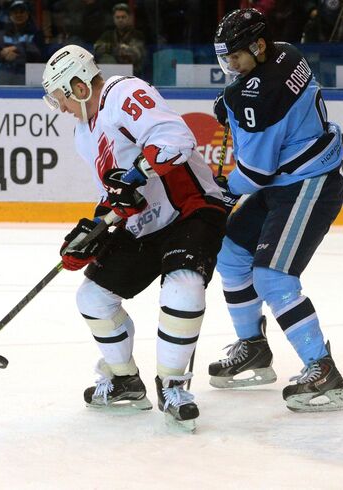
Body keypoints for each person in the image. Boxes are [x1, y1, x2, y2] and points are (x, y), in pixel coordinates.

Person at [41, 44, 227, 429]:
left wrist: (135, 178)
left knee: (184, 286)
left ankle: (173, 386)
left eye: (60, 97)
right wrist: (93, 233)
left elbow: (175, 139)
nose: (59, 107)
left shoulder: (122, 92)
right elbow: (114, 196)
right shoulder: (82, 135)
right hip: (145, 225)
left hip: (189, 210)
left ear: (78, 86)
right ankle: (125, 381)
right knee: (93, 297)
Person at [208, 8, 343, 413]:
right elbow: (264, 92)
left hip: (309, 185)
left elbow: (254, 173)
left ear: (258, 45)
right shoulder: (286, 52)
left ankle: (322, 369)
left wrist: (223, 191)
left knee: (272, 277)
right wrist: (234, 104)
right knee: (232, 255)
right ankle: (253, 347)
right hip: (288, 181)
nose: (230, 65)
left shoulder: (254, 96)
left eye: (236, 56)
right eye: (226, 57)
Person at [0, 0, 45, 84]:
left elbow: (39, 52)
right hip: (6, 72)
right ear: (10, 15)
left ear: (28, 14)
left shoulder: (36, 33)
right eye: (15, 12)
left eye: (22, 11)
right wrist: (2, 55)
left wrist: (16, 48)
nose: (18, 15)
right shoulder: (2, 33)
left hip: (28, 73)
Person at [93, 3, 146, 77]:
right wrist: (120, 49)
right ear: (113, 18)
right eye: (117, 17)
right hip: (110, 73)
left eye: (123, 17)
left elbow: (135, 55)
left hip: (132, 74)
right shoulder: (108, 35)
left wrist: (110, 49)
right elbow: (97, 49)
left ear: (129, 18)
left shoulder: (137, 35)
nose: (120, 20)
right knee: (106, 58)